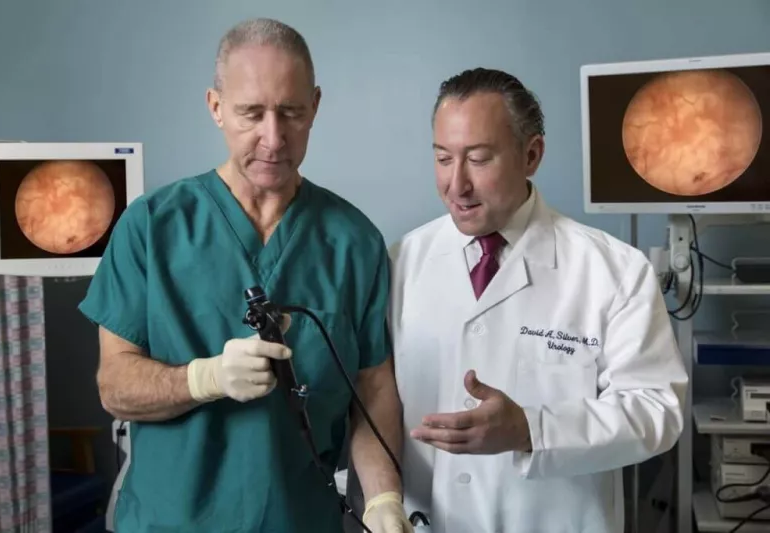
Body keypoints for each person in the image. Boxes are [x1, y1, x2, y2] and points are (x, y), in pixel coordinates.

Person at [79, 18, 412, 533]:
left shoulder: (353, 241)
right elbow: (115, 386)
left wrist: (384, 499)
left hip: (300, 519)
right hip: (171, 520)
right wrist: (203, 378)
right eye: (251, 114)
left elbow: (372, 393)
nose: (273, 138)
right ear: (215, 107)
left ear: (316, 107)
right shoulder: (152, 226)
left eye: (292, 113)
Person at [388, 68, 689, 533]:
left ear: (532, 154)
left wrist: (531, 429)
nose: (457, 184)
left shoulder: (614, 271)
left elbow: (657, 410)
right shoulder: (399, 262)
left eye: (479, 159)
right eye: (444, 159)